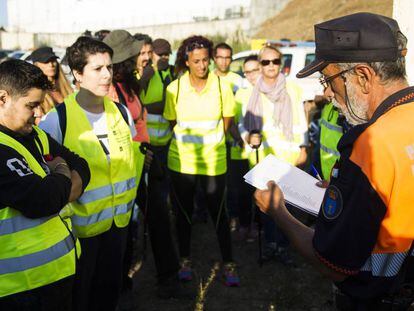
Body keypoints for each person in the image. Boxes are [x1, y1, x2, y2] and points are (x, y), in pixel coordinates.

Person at [255, 13, 414, 309]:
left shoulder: (370, 144)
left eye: (328, 79)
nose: (326, 92)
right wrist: (354, 193)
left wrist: (278, 210)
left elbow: (331, 264)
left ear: (364, 76)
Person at [39, 36, 145, 311]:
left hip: (118, 227)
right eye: (97, 69)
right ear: (77, 74)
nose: (107, 75)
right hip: (79, 233)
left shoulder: (121, 113)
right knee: (80, 299)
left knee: (109, 295)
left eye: (109, 67)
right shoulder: (57, 120)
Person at [103, 30, 187, 299]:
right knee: (125, 231)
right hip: (127, 168)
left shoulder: (129, 84)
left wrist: (146, 150)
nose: (145, 58)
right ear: (124, 60)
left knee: (159, 220)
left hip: (144, 163)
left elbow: (140, 122)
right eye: (138, 54)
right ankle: (121, 287)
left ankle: (168, 279)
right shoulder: (110, 91)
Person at [0, 59, 90, 310]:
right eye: (32, 105)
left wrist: (57, 188)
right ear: (2, 98)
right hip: (21, 289)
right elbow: (43, 201)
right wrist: (61, 170)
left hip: (58, 274)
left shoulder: (34, 133)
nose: (39, 113)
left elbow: (82, 166)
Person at [164, 35, 242, 287]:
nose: (201, 66)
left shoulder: (221, 87)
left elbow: (226, 121)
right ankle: (184, 259)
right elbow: (173, 123)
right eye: (196, 61)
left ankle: (229, 263)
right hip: (182, 162)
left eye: (205, 60)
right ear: (186, 61)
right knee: (183, 214)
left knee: (219, 213)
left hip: (213, 162)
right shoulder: (174, 89)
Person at [240, 44, 308, 264]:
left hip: (288, 157)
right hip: (263, 158)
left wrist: (304, 148)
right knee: (268, 205)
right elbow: (243, 124)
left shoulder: (293, 89)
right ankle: (270, 244)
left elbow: (301, 122)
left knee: (286, 207)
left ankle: (285, 246)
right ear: (260, 65)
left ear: (281, 63)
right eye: (266, 62)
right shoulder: (251, 92)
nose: (271, 66)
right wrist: (248, 137)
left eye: (275, 61)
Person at [229, 55, 261, 241]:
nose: (250, 75)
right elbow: (233, 121)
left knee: (259, 190)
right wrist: (243, 138)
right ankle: (244, 223)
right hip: (242, 149)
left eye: (254, 70)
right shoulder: (240, 93)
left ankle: (258, 224)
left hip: (262, 151)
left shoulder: (268, 92)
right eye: (247, 72)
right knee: (242, 191)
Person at [28, 46, 73, 119]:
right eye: (46, 62)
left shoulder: (67, 88)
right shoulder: (35, 93)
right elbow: (40, 125)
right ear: (36, 65)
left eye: (53, 60)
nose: (51, 65)